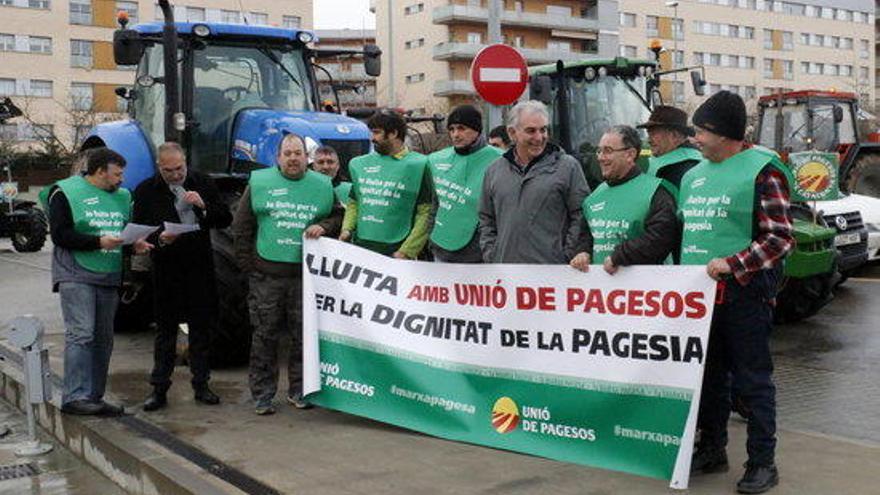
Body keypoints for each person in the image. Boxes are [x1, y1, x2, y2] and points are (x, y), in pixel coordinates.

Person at [679, 91, 794, 494]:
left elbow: (779, 238)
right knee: (709, 379)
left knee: (752, 382)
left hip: (745, 297)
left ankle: (763, 462)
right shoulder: (693, 177)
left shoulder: (763, 171)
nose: (695, 139)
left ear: (722, 133)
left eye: (700, 131)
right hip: (700, 300)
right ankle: (712, 448)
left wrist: (734, 263)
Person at [233, 133, 343, 415]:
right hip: (266, 276)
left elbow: (338, 217)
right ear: (278, 157)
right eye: (288, 153)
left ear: (307, 158)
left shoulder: (322, 184)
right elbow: (242, 227)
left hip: (304, 278)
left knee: (302, 337)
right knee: (264, 337)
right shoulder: (259, 183)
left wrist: (325, 227)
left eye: (298, 153)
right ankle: (262, 395)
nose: (293, 158)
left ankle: (299, 391)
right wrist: (249, 267)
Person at [41, 147, 152, 416]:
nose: (121, 179)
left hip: (108, 274)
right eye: (116, 174)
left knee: (104, 338)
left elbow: (120, 234)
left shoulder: (123, 197)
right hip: (75, 273)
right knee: (82, 333)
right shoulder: (65, 191)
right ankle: (75, 396)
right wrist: (97, 242)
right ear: (100, 171)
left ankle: (94, 396)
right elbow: (60, 235)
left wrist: (133, 245)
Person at [132, 142, 233, 411]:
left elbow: (224, 218)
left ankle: (201, 384)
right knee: (165, 333)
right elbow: (139, 230)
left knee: (201, 331)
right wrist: (160, 238)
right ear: (159, 167)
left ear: (185, 162)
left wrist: (203, 206)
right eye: (169, 171)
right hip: (166, 268)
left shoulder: (203, 182)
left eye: (180, 169)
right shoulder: (145, 190)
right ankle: (159, 388)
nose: (176, 175)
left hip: (199, 266)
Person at [479, 100, 589, 264]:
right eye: (531, 131)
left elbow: (581, 215)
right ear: (512, 133)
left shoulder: (567, 167)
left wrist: (566, 255)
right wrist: (492, 255)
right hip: (507, 274)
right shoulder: (494, 171)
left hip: (551, 275)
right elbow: (486, 219)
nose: (539, 137)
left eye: (543, 130)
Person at [570, 125, 679, 273]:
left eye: (608, 151)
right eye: (599, 151)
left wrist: (620, 256)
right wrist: (583, 252)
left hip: (645, 289)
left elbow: (661, 238)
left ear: (630, 154)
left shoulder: (655, 192)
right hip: (602, 290)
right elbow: (586, 236)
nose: (601, 157)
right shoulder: (594, 197)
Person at [340, 110, 432, 259]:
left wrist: (407, 251)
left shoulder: (419, 165)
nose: (372, 138)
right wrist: (347, 229)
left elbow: (426, 213)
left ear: (394, 133)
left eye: (376, 133)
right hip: (361, 249)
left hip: (397, 252)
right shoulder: (360, 164)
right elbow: (354, 202)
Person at [427, 105, 502, 263]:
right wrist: (431, 236)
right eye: (452, 129)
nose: (455, 135)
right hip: (440, 249)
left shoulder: (500, 160)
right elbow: (435, 204)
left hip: (478, 256)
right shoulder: (437, 159)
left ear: (477, 130)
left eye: (462, 128)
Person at [638, 105, 703, 189]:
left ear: (674, 136)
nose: (649, 140)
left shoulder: (680, 169)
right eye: (649, 134)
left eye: (653, 134)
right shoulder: (694, 159)